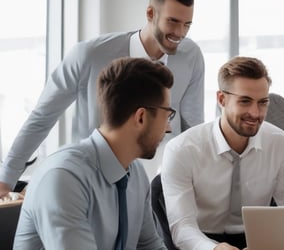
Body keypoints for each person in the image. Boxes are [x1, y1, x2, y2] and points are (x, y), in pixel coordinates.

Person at [0, 0, 204, 197]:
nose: (180, 33)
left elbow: (192, 127)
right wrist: (6, 179)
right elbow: (43, 116)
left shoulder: (191, 56)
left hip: (156, 185)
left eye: (187, 25)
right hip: (91, 180)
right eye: (173, 21)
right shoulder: (89, 55)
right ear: (150, 14)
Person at [13, 57, 174, 249]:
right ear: (141, 117)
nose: (168, 128)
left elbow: (149, 245)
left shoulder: (136, 174)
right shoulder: (63, 177)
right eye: (167, 115)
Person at [161, 56, 284, 250]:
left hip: (258, 240)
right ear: (222, 99)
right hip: (201, 240)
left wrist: (270, 243)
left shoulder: (279, 142)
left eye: (263, 102)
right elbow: (182, 227)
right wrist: (213, 249)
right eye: (245, 101)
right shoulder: (181, 150)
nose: (256, 113)